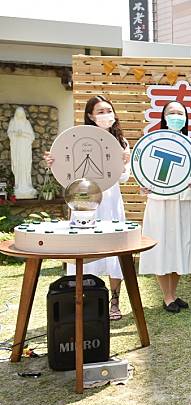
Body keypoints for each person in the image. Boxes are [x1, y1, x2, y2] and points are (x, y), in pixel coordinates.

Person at [44, 95, 130, 320]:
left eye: (108, 110)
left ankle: (114, 301)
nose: (105, 115)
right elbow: (66, 175)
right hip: (84, 201)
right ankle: (83, 300)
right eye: (100, 112)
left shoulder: (120, 142)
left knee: (114, 250)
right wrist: (55, 163)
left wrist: (124, 162)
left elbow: (124, 178)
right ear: (90, 116)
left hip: (111, 201)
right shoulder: (78, 140)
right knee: (84, 249)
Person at [138, 101, 191, 313]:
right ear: (164, 117)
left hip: (183, 203)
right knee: (162, 247)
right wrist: (144, 185)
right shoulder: (151, 141)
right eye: (171, 112)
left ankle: (173, 293)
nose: (176, 116)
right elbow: (141, 169)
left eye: (180, 113)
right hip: (160, 203)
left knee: (180, 247)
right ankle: (166, 296)